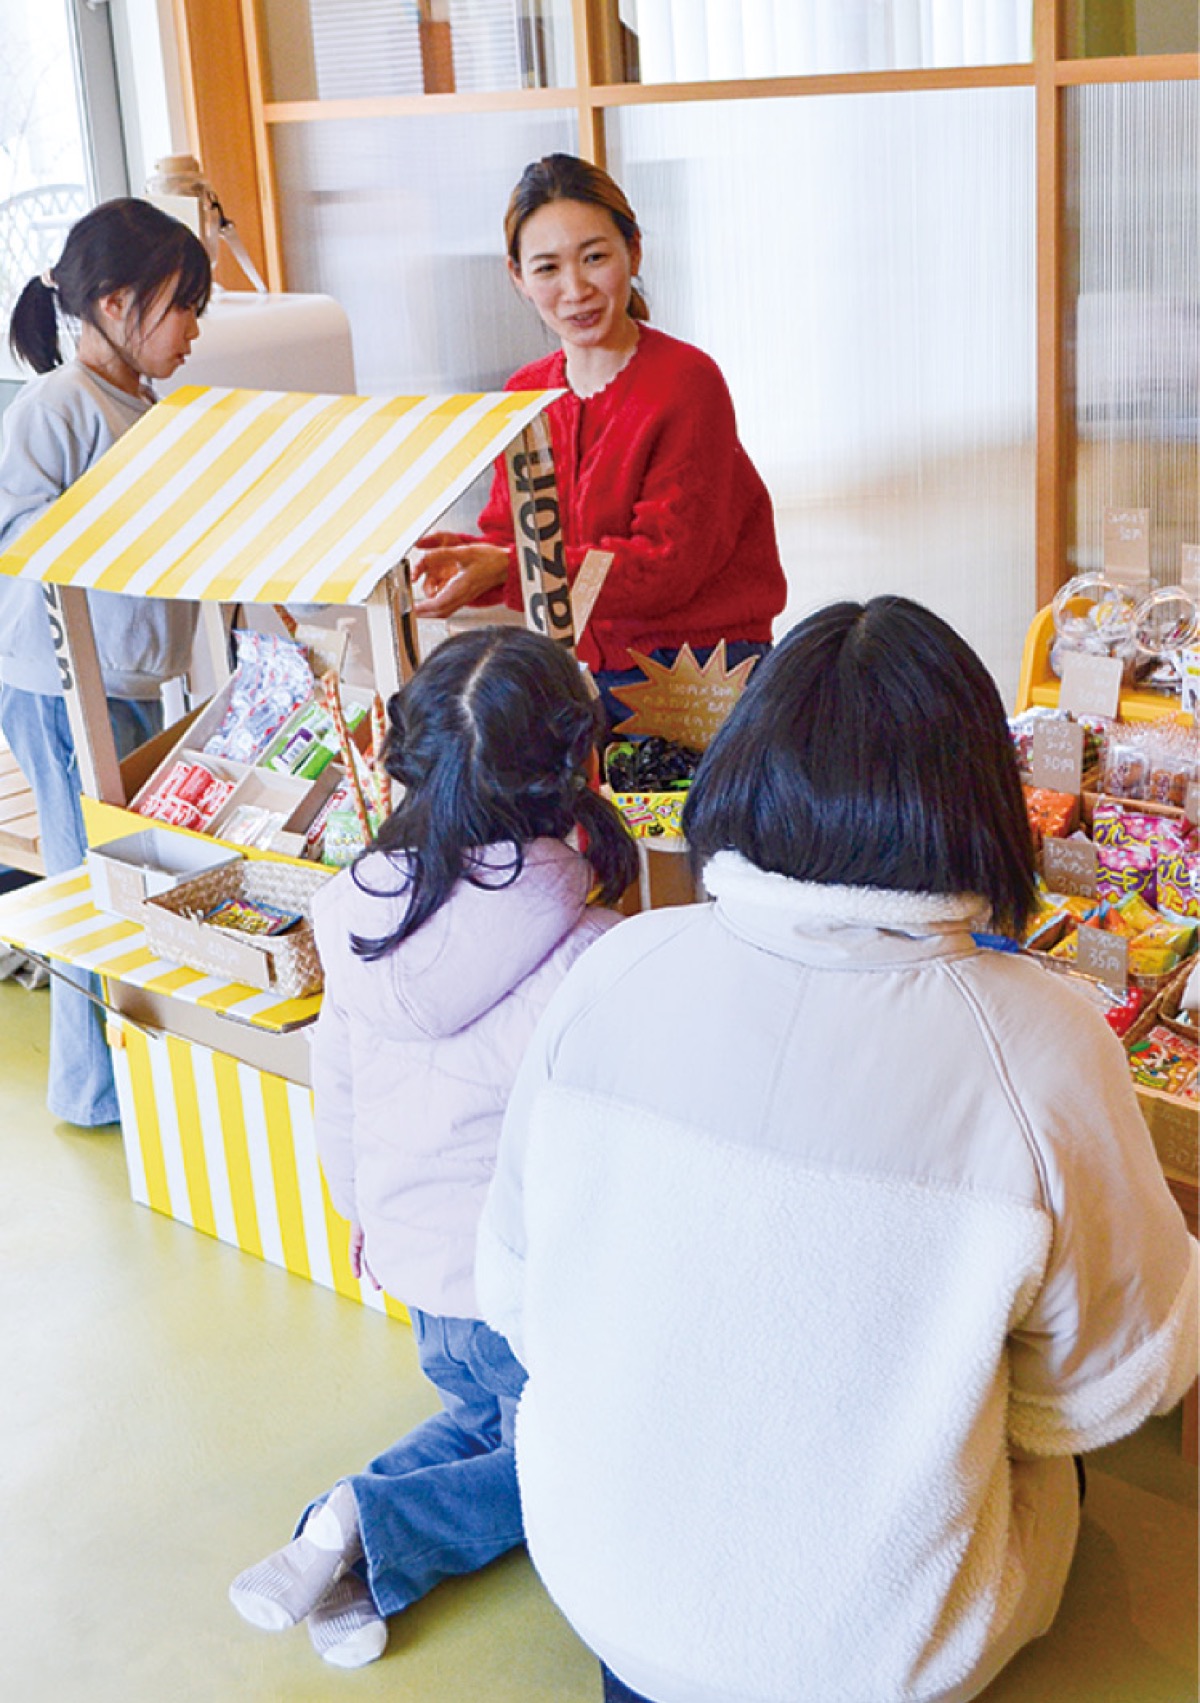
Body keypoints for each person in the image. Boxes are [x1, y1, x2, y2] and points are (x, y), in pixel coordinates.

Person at [476, 595, 1199, 1703]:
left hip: (607, 1589)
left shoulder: (615, 967)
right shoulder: (1042, 1041)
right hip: (878, 1653)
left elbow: (518, 1291)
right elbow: (1106, 1384)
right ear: (979, 797)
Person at [228, 625, 637, 1669]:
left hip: (410, 1254)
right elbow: (595, 1147)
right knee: (562, 1455)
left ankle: (333, 1548)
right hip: (520, 1282)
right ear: (571, 762)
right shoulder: (591, 948)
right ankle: (368, 1520)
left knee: (473, 1418)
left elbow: (342, 1083)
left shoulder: (355, 919)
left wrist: (361, 1203)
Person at [412, 153, 787, 728]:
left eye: (594, 258)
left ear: (633, 251)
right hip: (576, 670)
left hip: (697, 673)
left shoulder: (688, 382)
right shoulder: (525, 393)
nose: (575, 289)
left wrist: (505, 569)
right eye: (547, 269)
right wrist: (464, 562)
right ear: (517, 277)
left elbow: (666, 567)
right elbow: (509, 536)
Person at [0, 198, 211, 1125]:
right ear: (118, 305)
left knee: (123, 874)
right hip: (57, 682)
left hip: (122, 676)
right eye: (184, 306)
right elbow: (18, 533)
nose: (194, 331)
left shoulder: (143, 405)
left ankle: (125, 1075)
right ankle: (92, 1092)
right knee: (93, 883)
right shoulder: (58, 403)